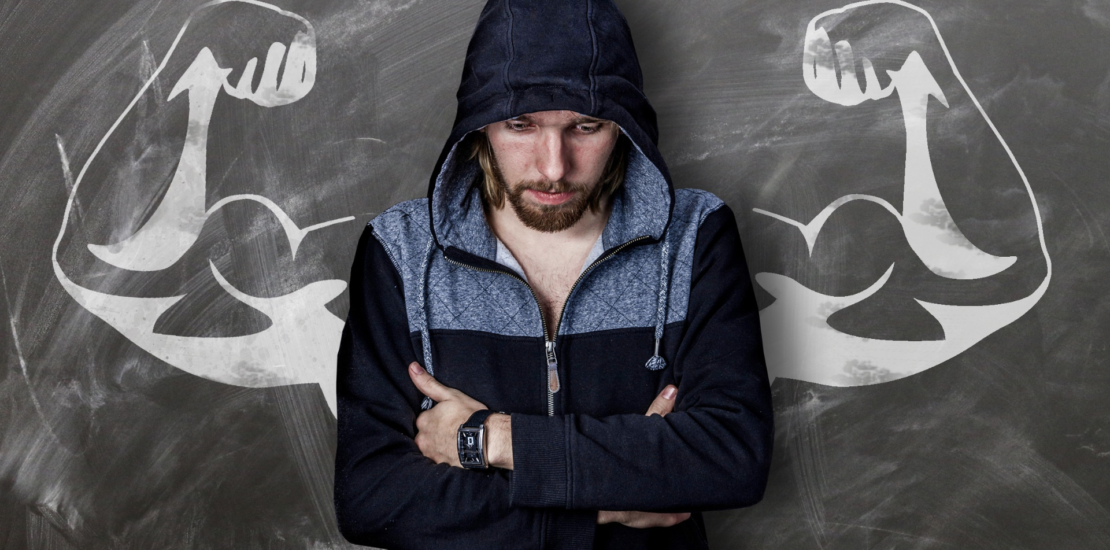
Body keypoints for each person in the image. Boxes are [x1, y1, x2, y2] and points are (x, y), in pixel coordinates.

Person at [333, 0, 773, 548]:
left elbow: (730, 457)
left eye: (585, 126)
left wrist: (491, 440)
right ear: (478, 126)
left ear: (624, 127)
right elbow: (372, 498)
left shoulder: (695, 235)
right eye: (521, 125)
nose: (553, 166)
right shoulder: (399, 248)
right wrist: (599, 507)